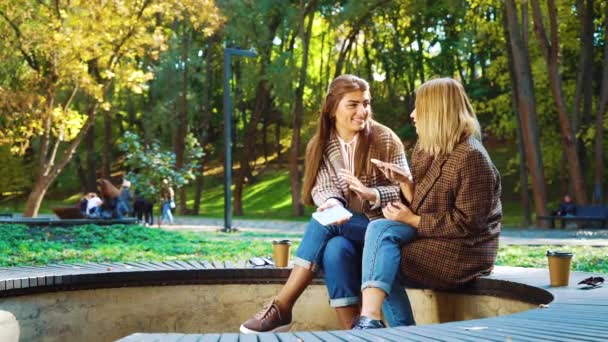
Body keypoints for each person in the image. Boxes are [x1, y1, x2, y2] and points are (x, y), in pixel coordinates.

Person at [240, 74, 409, 333]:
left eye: (366, 103)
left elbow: (406, 188)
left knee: (324, 224)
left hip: (381, 229)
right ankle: (356, 333)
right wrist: (332, 202)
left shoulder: (385, 139)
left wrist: (371, 193)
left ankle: (283, 304)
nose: (362, 111)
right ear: (332, 108)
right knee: (334, 249)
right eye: (352, 104)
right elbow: (323, 186)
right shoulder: (320, 145)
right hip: (345, 229)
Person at [350, 77, 502, 329]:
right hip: (432, 237)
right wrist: (406, 185)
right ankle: (373, 318)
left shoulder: (473, 158)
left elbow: (468, 226)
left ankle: (395, 329)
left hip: (464, 251)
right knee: (377, 232)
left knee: (381, 257)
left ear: (436, 112)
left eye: (418, 108)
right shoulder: (425, 148)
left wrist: (411, 220)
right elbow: (421, 206)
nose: (412, 114)